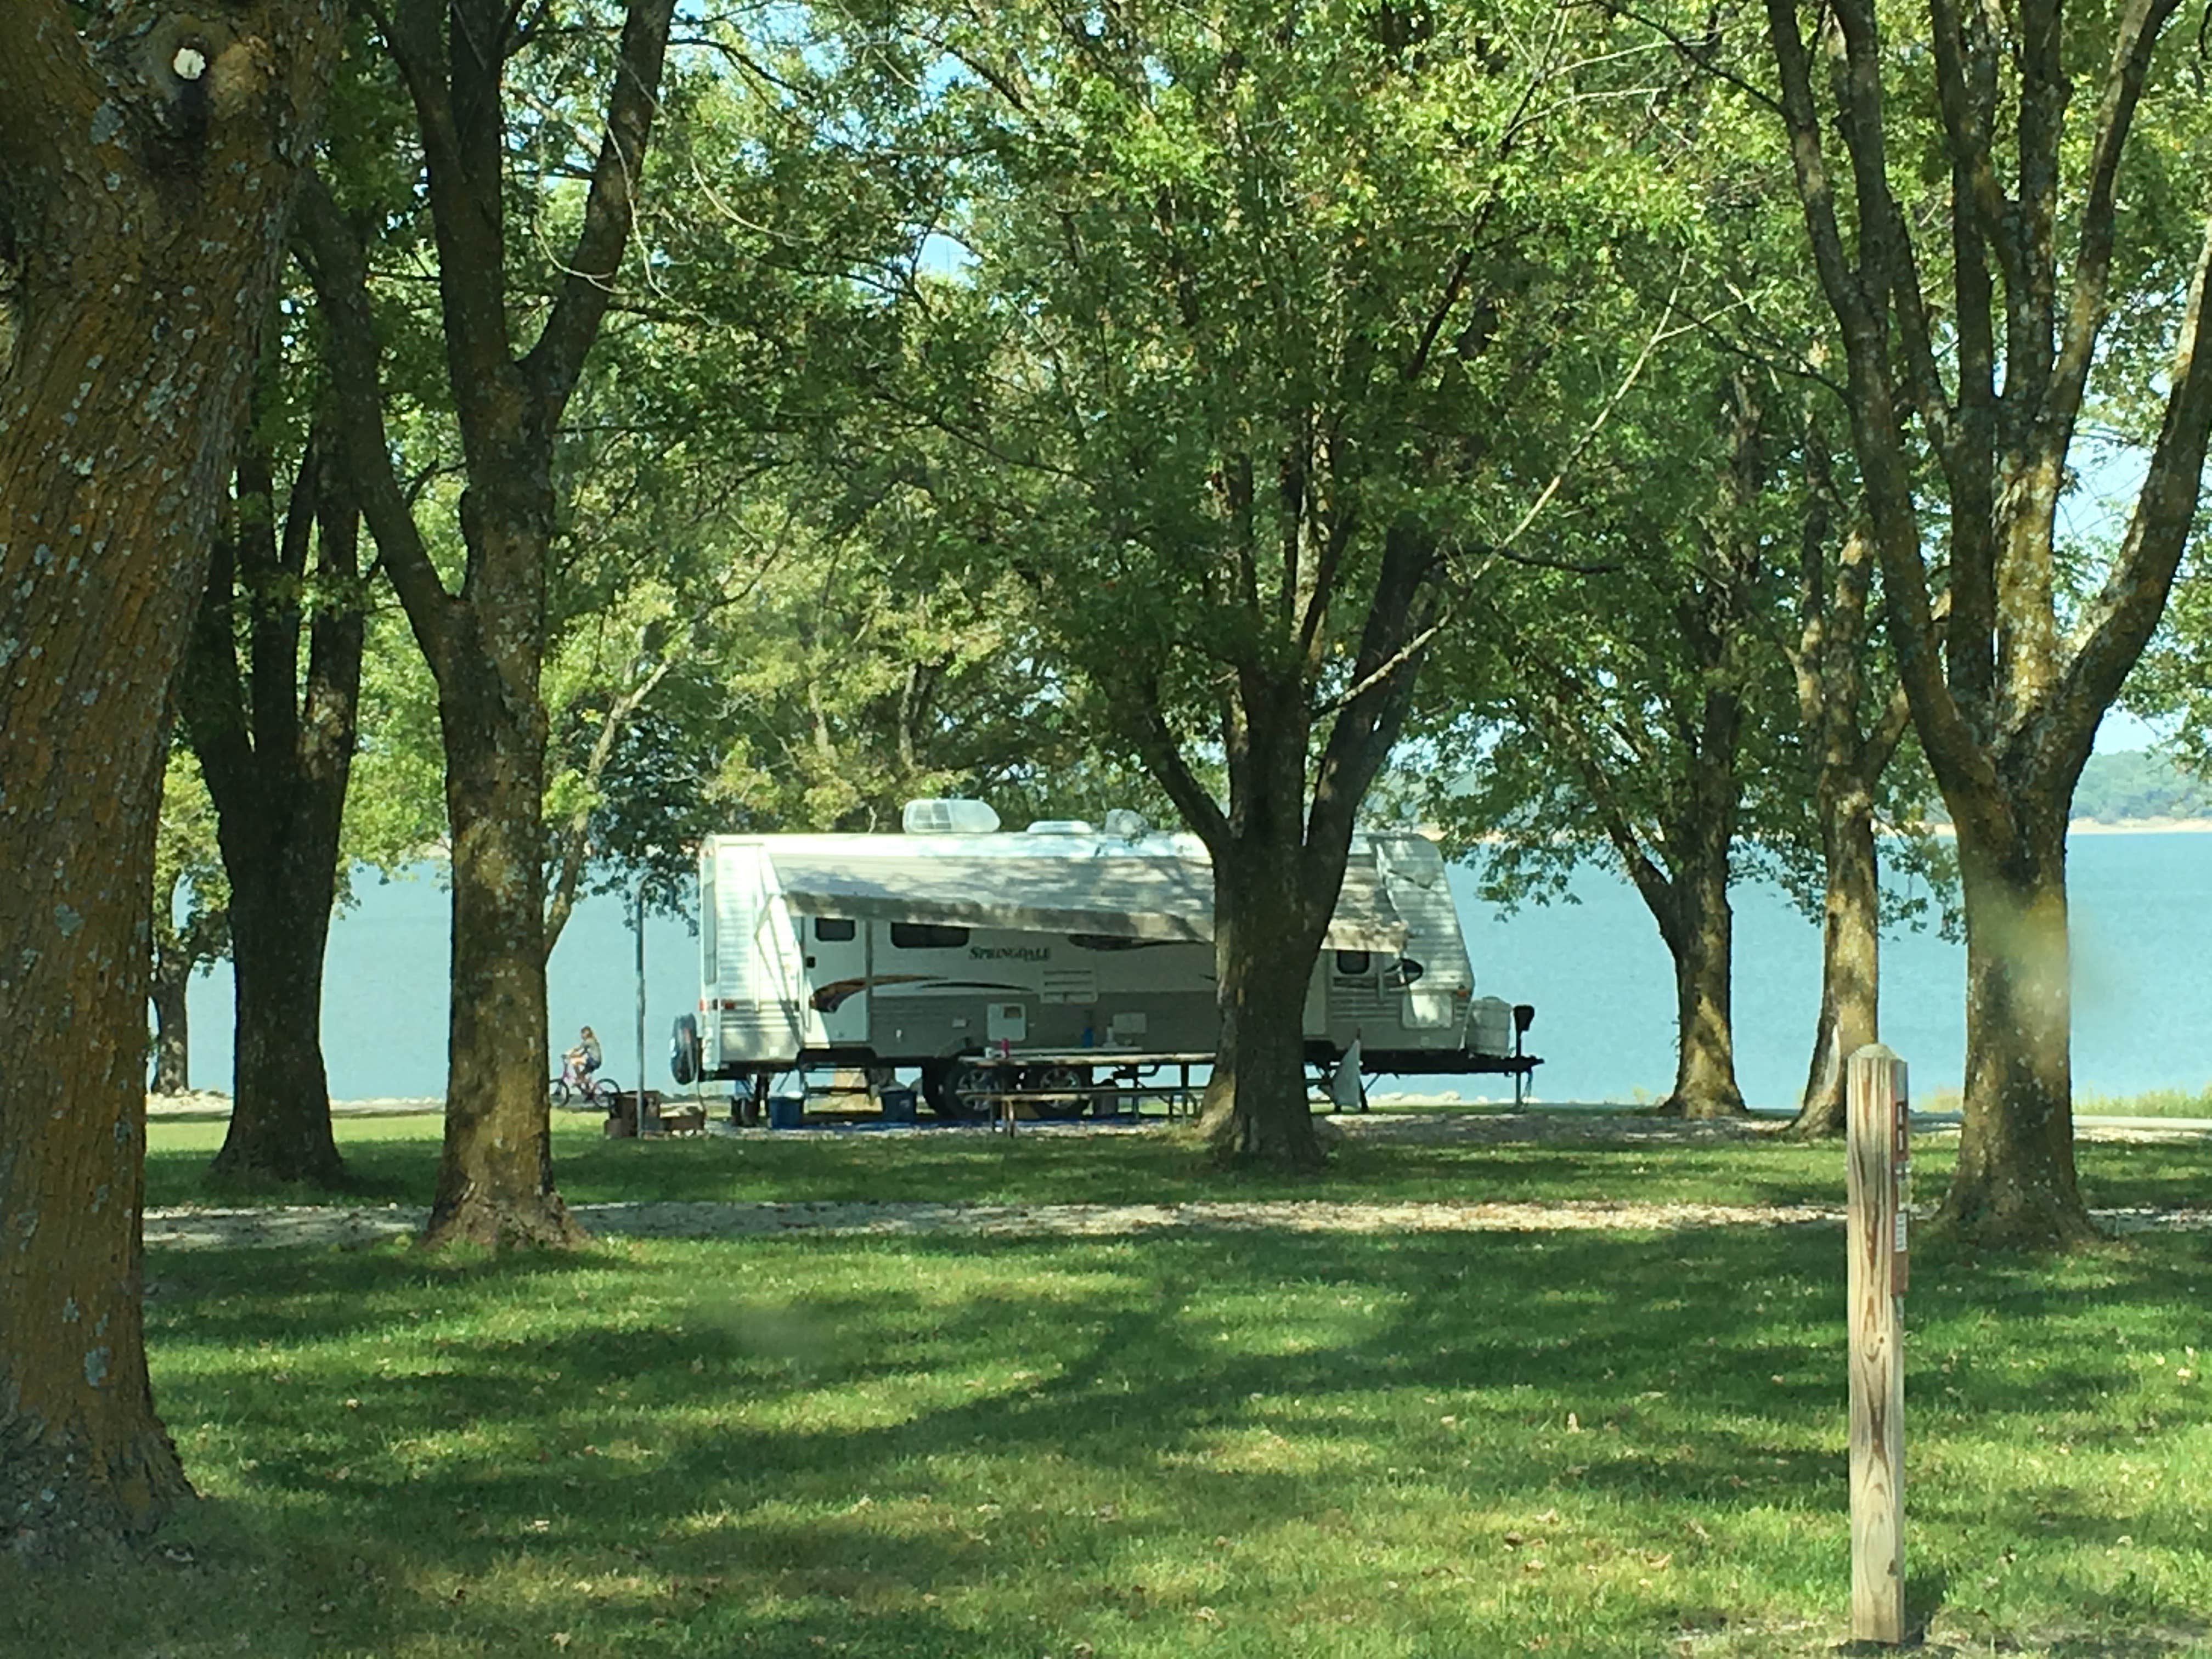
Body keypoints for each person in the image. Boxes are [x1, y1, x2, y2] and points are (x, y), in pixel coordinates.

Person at [562, 1025, 602, 1091]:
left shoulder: (589, 1041)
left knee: (575, 1062)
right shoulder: (591, 1042)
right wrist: (572, 1056)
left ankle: (579, 1080)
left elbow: (578, 1049)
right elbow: (581, 1055)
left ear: (585, 1034)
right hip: (596, 1062)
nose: (581, 1036)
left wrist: (568, 1055)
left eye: (582, 1034)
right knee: (582, 1075)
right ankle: (588, 1091)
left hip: (593, 1061)